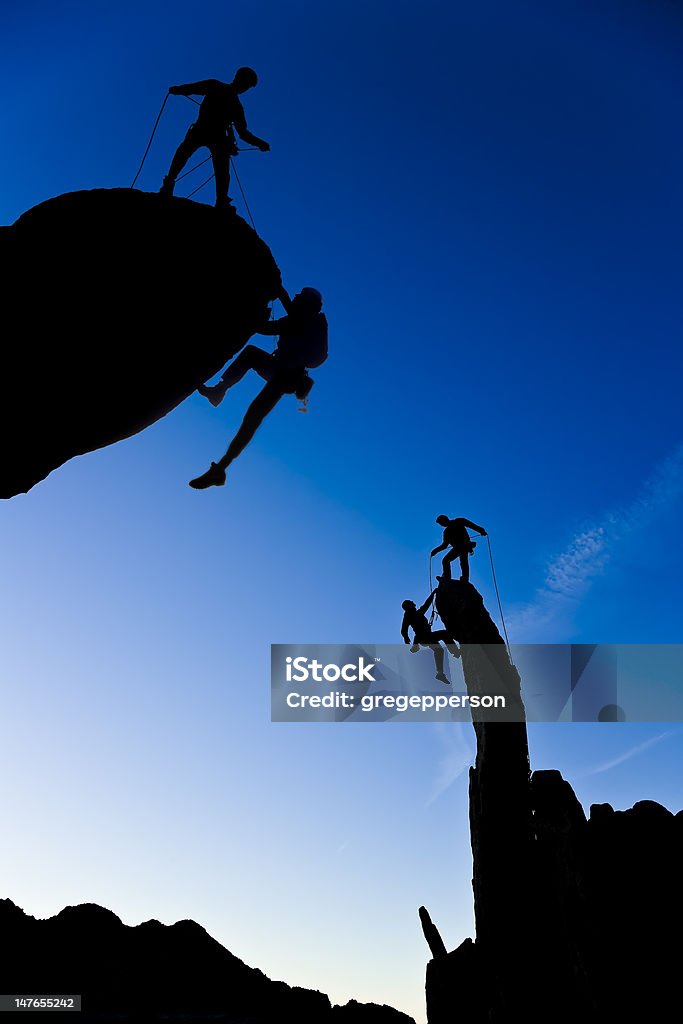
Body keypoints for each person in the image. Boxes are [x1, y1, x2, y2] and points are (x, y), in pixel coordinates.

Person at [189, 286, 328, 489]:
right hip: (281, 372)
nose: (296, 298)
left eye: (299, 297)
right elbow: (287, 314)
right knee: (251, 362)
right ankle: (219, 392)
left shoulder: (303, 321)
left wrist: (252, 315)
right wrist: (279, 292)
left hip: (285, 376)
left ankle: (220, 468)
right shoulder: (301, 319)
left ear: (306, 304)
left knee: (252, 417)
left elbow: (268, 328)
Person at [160, 66, 270, 209]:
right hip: (207, 133)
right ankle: (219, 200)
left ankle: (220, 200)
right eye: (246, 84)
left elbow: (243, 133)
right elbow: (193, 88)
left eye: (247, 87)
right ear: (237, 78)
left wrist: (260, 143)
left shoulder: (228, 98)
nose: (244, 88)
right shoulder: (220, 90)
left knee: (216, 168)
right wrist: (178, 90)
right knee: (185, 156)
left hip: (208, 134)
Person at [401, 591, 460, 684]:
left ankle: (440, 673)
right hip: (425, 637)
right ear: (408, 606)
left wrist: (406, 637)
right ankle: (455, 652)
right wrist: (433, 594)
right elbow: (426, 605)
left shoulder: (413, 614)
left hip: (426, 638)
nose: (414, 603)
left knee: (439, 650)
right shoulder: (411, 614)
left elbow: (426, 605)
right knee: (444, 634)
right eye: (411, 603)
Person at [431, 515, 487, 583]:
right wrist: (435, 551)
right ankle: (447, 577)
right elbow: (444, 545)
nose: (442, 525)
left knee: (463, 561)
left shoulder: (458, 521)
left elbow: (471, 525)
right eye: (441, 524)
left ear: (445, 519)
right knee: (446, 560)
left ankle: (464, 578)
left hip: (464, 545)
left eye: (441, 523)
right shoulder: (446, 532)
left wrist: (481, 530)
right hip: (457, 548)